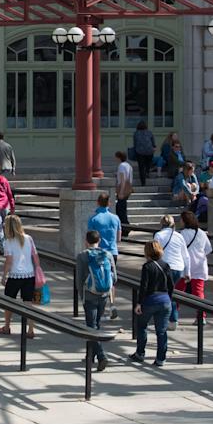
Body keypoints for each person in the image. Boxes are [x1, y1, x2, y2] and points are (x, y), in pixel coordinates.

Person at [75, 229, 116, 372]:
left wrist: (82, 296)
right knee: (96, 325)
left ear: (86, 241)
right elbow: (114, 278)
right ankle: (89, 356)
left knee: (90, 327)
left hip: (89, 295)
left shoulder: (82, 256)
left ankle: (101, 356)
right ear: (99, 240)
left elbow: (79, 280)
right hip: (103, 295)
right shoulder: (108, 255)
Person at [130, 240, 174, 367]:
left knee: (142, 325)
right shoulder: (166, 265)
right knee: (161, 331)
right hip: (165, 300)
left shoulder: (147, 267)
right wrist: (168, 298)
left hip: (150, 300)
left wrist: (139, 303)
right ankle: (161, 358)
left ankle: (140, 353)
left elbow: (144, 286)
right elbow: (171, 285)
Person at [0, 214, 37, 338]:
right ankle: (30, 329)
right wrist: (37, 270)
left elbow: (9, 261)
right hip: (29, 274)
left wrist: (4, 275)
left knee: (9, 302)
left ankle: (7, 326)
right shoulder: (29, 238)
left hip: (15, 275)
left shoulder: (8, 242)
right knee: (28, 302)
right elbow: (35, 257)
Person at [153, 215, 188, 329]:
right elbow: (185, 255)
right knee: (172, 293)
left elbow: (155, 253)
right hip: (178, 267)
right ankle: (172, 318)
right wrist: (188, 272)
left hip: (164, 267)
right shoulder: (179, 236)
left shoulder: (158, 235)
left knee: (165, 293)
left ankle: (167, 318)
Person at [178, 210, 211, 309]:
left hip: (184, 266)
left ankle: (173, 316)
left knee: (178, 291)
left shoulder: (182, 234)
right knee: (198, 292)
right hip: (199, 266)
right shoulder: (201, 233)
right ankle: (201, 316)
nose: (180, 221)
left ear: (185, 221)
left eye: (181, 219)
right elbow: (208, 249)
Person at [114, 151, 133, 235]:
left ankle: (125, 227)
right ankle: (125, 227)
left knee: (120, 210)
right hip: (128, 189)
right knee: (122, 208)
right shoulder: (128, 165)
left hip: (123, 189)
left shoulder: (121, 166)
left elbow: (123, 179)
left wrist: (121, 192)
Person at [132, 121, 156, 186]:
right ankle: (147, 171)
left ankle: (143, 182)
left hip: (140, 152)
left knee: (141, 167)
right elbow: (153, 142)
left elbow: (135, 143)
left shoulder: (136, 133)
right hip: (149, 151)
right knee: (148, 163)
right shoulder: (149, 132)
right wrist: (154, 147)